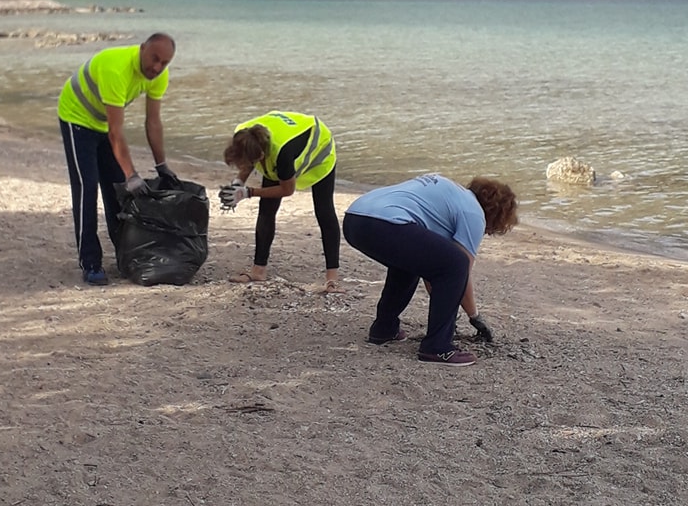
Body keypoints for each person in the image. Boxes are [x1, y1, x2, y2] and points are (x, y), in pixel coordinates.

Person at [342, 174, 518, 365]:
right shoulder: (474, 213)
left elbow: (433, 270)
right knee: (456, 263)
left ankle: (384, 329)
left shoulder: (450, 195)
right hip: (385, 223)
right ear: (497, 214)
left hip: (355, 219)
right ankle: (437, 348)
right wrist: (474, 316)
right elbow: (460, 274)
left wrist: (445, 308)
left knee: (412, 263)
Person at [58, 33, 177, 285]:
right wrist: (132, 174)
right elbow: (116, 132)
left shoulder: (159, 75)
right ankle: (90, 262)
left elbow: (153, 122)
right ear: (142, 49)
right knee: (87, 188)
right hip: (77, 118)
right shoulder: (116, 69)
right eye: (154, 58)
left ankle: (125, 256)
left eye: (164, 62)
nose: (157, 67)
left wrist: (162, 165)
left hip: (103, 122)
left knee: (117, 191)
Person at [219, 110, 340, 290]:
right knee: (266, 209)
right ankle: (258, 271)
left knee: (324, 211)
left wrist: (248, 192)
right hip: (280, 140)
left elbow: (287, 189)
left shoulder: (282, 153)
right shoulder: (243, 135)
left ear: (261, 156)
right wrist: (237, 184)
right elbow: (247, 161)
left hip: (319, 147)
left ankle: (332, 279)